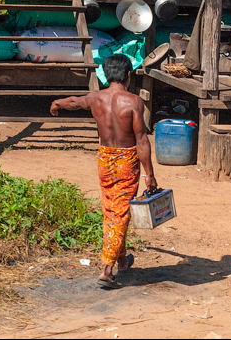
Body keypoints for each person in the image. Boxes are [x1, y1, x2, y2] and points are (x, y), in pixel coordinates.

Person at [50, 54, 157, 289]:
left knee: (112, 210)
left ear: (106, 75)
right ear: (128, 75)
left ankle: (122, 260)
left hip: (105, 159)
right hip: (126, 161)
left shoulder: (95, 98)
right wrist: (149, 174)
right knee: (120, 214)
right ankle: (107, 269)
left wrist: (57, 102)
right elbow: (141, 140)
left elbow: (73, 102)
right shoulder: (134, 102)